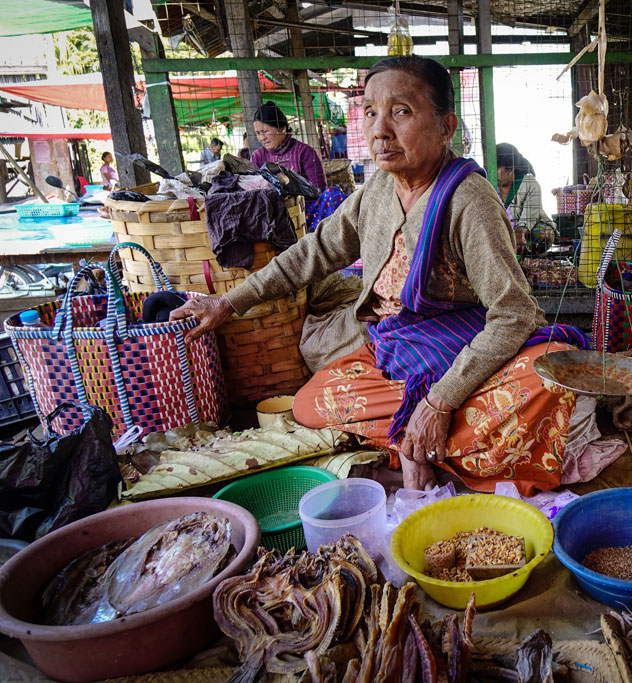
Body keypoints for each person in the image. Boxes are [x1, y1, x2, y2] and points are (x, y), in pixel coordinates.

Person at [171, 56, 588, 495]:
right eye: (370, 112)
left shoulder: (470, 202)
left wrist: (439, 401)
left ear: (446, 127)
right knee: (310, 405)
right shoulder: (376, 191)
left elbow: (514, 315)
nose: (379, 129)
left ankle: (416, 443)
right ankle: (430, 446)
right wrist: (228, 302)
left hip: (466, 351)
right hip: (400, 349)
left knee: (545, 379)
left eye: (401, 111)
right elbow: (312, 253)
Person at [496, 143, 556, 255]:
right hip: (501, 232)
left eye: (497, 168)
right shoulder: (489, 185)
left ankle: (528, 257)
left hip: (525, 231)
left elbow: (529, 217)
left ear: (510, 169)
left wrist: (520, 233)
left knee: (544, 233)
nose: (493, 172)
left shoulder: (530, 184)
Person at [250, 102, 326, 189]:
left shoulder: (304, 152)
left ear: (282, 129)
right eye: (258, 133)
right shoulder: (257, 157)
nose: (262, 138)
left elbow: (319, 190)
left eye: (265, 132)